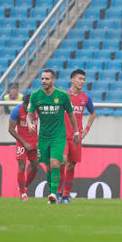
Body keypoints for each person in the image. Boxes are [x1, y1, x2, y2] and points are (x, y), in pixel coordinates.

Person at [28, 69, 80, 204]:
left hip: (59, 135)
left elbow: (71, 114)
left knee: (55, 162)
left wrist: (76, 132)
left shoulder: (62, 96)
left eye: (47, 79)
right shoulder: (35, 95)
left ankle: (53, 193)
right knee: (49, 167)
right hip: (43, 136)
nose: (44, 81)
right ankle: (52, 195)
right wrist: (30, 123)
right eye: (42, 79)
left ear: (53, 80)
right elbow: (30, 113)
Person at [58, 69, 96, 201]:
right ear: (72, 80)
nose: (82, 82)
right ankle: (57, 193)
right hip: (62, 135)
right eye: (80, 79)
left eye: (84, 79)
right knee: (62, 162)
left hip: (76, 137)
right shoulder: (63, 95)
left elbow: (93, 112)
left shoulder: (85, 97)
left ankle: (66, 195)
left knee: (71, 165)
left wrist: (86, 129)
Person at [8, 93, 39, 200]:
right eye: (27, 105)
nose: (28, 108)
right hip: (22, 142)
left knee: (35, 167)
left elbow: (44, 124)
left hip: (35, 142)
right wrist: (24, 143)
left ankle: (23, 186)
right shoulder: (17, 110)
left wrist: (39, 140)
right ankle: (23, 194)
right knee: (22, 165)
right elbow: (11, 129)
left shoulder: (37, 109)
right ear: (24, 104)